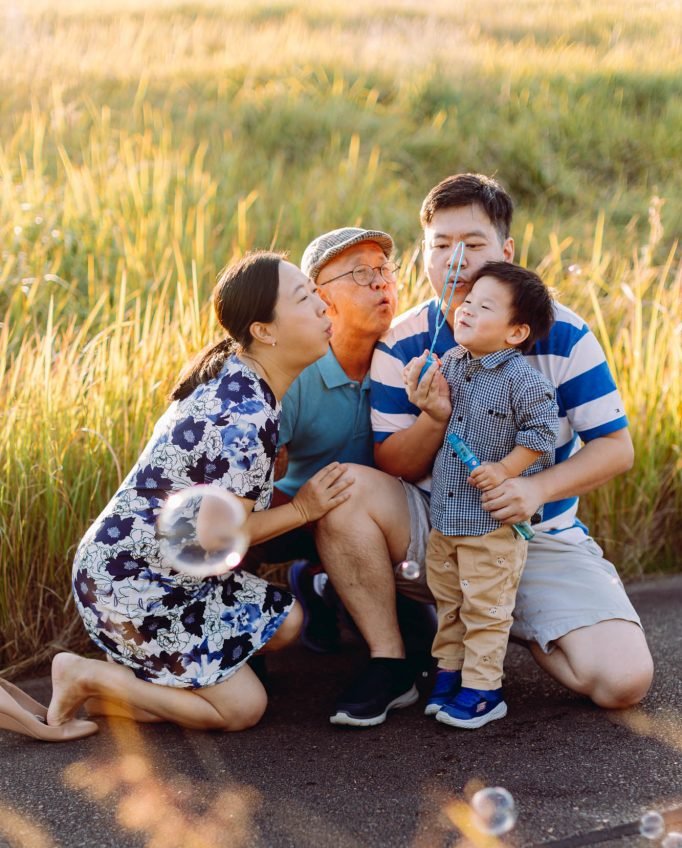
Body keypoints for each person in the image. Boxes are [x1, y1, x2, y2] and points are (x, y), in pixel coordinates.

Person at [315, 172, 652, 727]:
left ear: (506, 251)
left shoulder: (561, 333)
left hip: (535, 535)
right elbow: (393, 465)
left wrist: (532, 488)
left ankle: (501, 619)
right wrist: (433, 419)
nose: (455, 259)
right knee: (345, 489)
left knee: (622, 681)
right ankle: (391, 659)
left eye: (472, 244)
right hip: (440, 527)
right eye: (440, 245)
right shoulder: (402, 341)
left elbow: (615, 448)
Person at [43, 251, 354, 736]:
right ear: (264, 331)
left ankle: (131, 683)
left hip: (159, 571)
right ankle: (85, 675)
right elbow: (222, 537)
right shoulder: (244, 419)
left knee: (286, 621)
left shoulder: (239, 377)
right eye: (304, 297)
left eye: (315, 293)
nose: (322, 305)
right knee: (244, 708)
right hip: (132, 588)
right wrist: (304, 508)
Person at [416, 262, 558, 729]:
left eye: (484, 306)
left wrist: (506, 469)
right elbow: (442, 414)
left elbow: (543, 434)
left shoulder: (523, 379)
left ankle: (483, 689)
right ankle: (450, 674)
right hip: (448, 518)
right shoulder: (454, 363)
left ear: (516, 332)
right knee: (450, 604)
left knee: (486, 609)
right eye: (468, 300)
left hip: (491, 525)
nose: (466, 309)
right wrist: (426, 396)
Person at [246, 227, 399, 653]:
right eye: (360, 274)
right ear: (320, 297)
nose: (381, 282)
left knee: (421, 643)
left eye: (384, 269)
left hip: (375, 521)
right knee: (237, 520)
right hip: (298, 511)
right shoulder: (298, 371)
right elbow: (254, 473)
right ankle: (242, 647)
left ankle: (320, 581)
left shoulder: (412, 355)